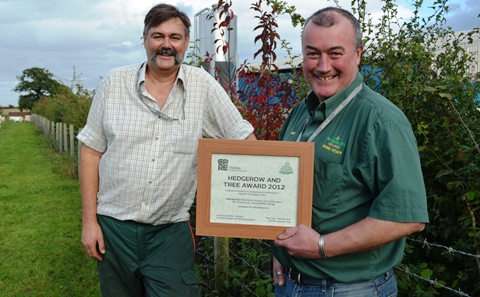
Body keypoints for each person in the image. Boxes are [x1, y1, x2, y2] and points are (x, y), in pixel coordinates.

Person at [77, 3, 255, 296]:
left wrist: (277, 192)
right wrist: (89, 222)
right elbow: (91, 151)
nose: (166, 45)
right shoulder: (114, 84)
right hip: (114, 229)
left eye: (175, 37)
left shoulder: (204, 88)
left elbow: (243, 140)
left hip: (169, 232)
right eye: (158, 36)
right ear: (145, 39)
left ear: (186, 42)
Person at [271, 7, 429, 296]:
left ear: (358, 54)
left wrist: (321, 246)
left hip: (351, 288)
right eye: (312, 53)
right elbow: (285, 195)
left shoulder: (381, 121)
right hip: (290, 283)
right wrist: (279, 254)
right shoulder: (298, 115)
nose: (322, 65)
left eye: (335, 53)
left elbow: (408, 217)